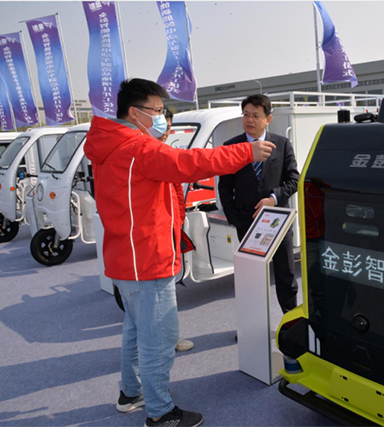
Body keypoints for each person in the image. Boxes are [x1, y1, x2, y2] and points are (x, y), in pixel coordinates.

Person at [84, 79, 274, 427]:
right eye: (157, 110)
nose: (161, 116)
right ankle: (160, 413)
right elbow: (190, 162)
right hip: (147, 259)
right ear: (134, 113)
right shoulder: (138, 148)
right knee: (159, 339)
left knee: (136, 331)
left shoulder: (111, 145)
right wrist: (246, 153)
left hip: (128, 256)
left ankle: (131, 393)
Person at [218, 94, 300, 314]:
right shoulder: (231, 146)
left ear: (268, 119)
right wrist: (234, 218)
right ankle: (253, 325)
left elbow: (294, 179)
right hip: (246, 221)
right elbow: (224, 188)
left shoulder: (281, 143)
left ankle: (291, 321)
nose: (249, 120)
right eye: (246, 114)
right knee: (251, 277)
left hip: (277, 220)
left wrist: (273, 198)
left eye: (255, 115)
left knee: (285, 274)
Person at [158, 109, 194, 353]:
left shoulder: (164, 153)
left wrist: (178, 220)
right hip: (156, 239)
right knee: (162, 295)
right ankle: (168, 341)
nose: (166, 132)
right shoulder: (149, 154)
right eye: (163, 126)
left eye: (169, 127)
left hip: (169, 232)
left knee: (166, 291)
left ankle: (168, 338)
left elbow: (177, 193)